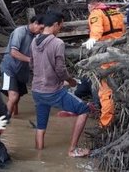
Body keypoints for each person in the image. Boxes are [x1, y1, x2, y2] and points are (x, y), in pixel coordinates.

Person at [31, 11, 91, 157]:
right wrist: (70, 81)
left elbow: (32, 64)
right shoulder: (57, 43)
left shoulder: (34, 40)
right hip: (53, 91)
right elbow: (60, 69)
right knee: (84, 110)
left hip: (36, 90)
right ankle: (72, 150)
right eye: (61, 26)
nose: (60, 30)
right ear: (56, 24)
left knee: (41, 123)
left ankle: (39, 152)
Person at [82, 0, 126, 127]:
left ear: (91, 5)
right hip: (120, 53)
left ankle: (105, 124)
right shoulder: (116, 12)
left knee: (105, 91)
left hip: (106, 56)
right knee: (117, 87)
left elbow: (97, 29)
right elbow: (122, 32)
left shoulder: (96, 13)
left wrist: (92, 39)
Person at [0, 15, 44, 118]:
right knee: (14, 96)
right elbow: (13, 52)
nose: (41, 31)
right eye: (41, 28)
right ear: (35, 23)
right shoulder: (20, 31)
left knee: (17, 97)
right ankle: (4, 123)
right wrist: (30, 60)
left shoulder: (36, 37)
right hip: (9, 68)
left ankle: (14, 117)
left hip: (21, 70)